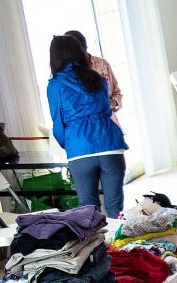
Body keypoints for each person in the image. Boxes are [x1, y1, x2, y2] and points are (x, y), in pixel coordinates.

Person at [46, 35, 127, 219]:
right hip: (110, 144)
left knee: (88, 209)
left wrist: (70, 144)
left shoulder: (55, 85)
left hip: (80, 149)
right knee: (115, 208)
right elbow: (107, 110)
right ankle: (121, 246)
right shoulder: (97, 78)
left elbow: (58, 123)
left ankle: (97, 248)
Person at [63, 31, 120, 113]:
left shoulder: (102, 64)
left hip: (109, 120)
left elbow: (116, 92)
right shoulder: (68, 74)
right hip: (86, 123)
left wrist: (112, 103)